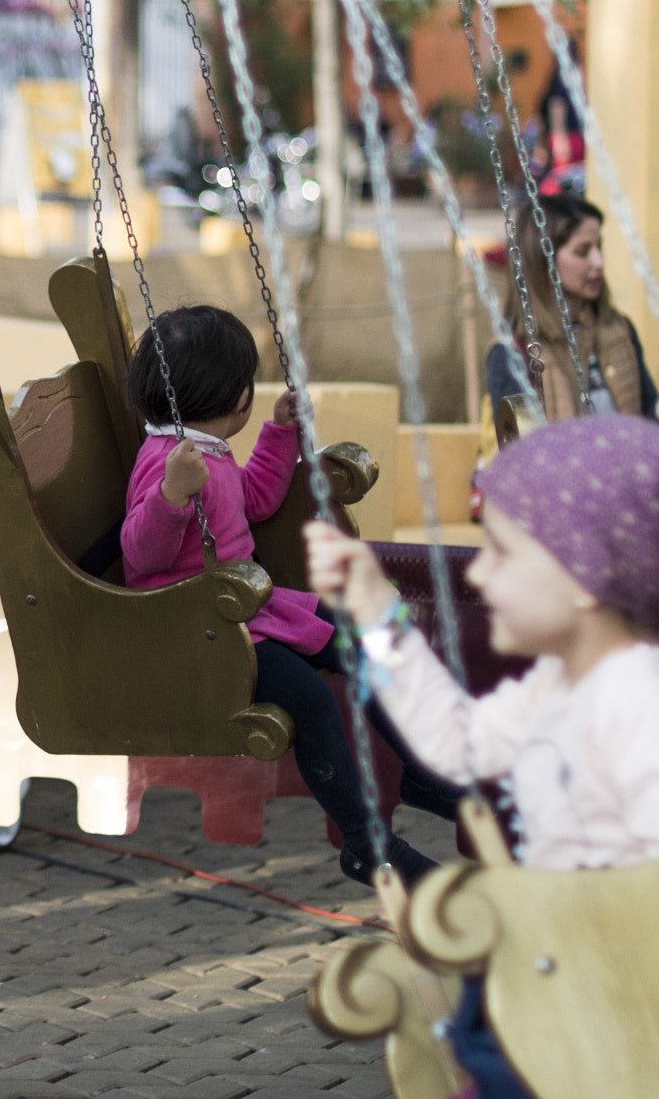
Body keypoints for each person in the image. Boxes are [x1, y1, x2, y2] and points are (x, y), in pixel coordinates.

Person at [306, 415, 659, 1098]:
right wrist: (379, 616)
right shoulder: (561, 680)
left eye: (503, 553)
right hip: (540, 965)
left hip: (609, 997)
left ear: (587, 575)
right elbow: (457, 743)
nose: (478, 571)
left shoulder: (652, 709)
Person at [121, 306, 446, 887]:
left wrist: (278, 431)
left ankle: (419, 771)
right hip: (199, 627)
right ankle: (366, 844)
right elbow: (140, 556)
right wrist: (171, 495)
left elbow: (254, 501)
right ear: (232, 395)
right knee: (314, 704)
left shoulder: (208, 451)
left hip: (248, 608)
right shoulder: (166, 460)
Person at [486, 195, 657, 421]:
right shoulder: (513, 352)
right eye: (582, 251)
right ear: (543, 258)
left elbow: (651, 418)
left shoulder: (620, 329)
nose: (599, 262)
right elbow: (519, 450)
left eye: (599, 247)